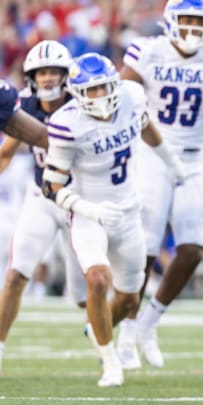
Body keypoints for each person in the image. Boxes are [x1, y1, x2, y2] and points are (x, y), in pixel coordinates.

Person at [117, 0, 203, 369]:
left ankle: (149, 321)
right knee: (145, 248)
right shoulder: (147, 53)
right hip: (151, 153)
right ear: (169, 21)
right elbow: (118, 104)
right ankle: (128, 330)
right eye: (187, 19)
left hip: (195, 156)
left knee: (194, 248)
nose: (194, 27)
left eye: (200, 21)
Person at [41, 52, 185, 387]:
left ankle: (98, 326)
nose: (99, 96)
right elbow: (52, 185)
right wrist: (88, 210)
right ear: (76, 93)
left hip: (128, 211)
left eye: (104, 87)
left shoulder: (132, 98)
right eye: (90, 90)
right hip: (89, 214)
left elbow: (147, 128)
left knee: (130, 298)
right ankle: (110, 363)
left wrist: (171, 162)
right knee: (97, 280)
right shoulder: (67, 123)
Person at [0, 40, 88, 371]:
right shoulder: (24, 107)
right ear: (31, 77)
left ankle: (111, 338)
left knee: (82, 295)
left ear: (66, 75)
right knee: (16, 274)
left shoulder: (83, 105)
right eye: (42, 72)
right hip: (41, 198)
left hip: (77, 201)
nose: (48, 79)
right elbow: (7, 152)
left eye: (54, 72)